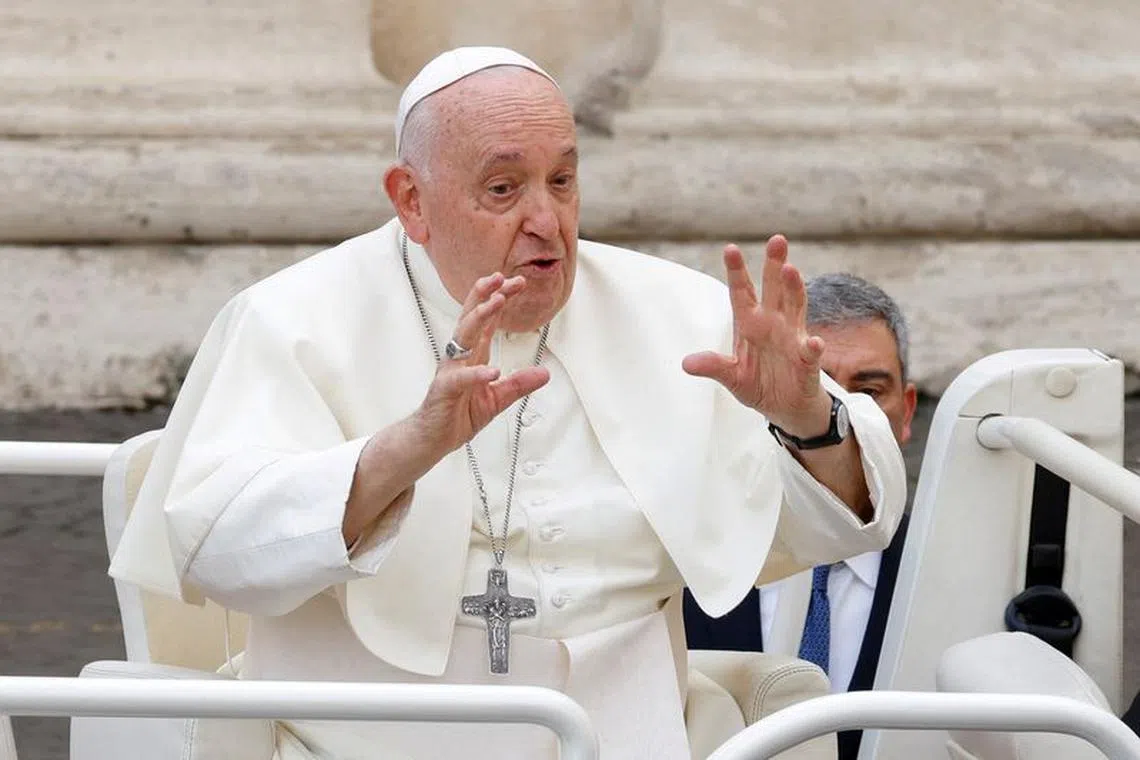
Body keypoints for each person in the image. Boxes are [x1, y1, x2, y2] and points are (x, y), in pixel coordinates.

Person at [108, 46, 906, 760]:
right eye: (503, 188)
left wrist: (809, 422)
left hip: (636, 735)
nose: (546, 222)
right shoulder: (290, 321)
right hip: (365, 742)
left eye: (563, 180)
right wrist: (403, 452)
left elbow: (849, 524)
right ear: (411, 200)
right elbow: (214, 545)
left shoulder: (680, 316)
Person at [683, 272, 917, 760]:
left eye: (869, 392)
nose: (837, 414)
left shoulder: (950, 569)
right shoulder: (687, 553)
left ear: (907, 411)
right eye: (814, 386)